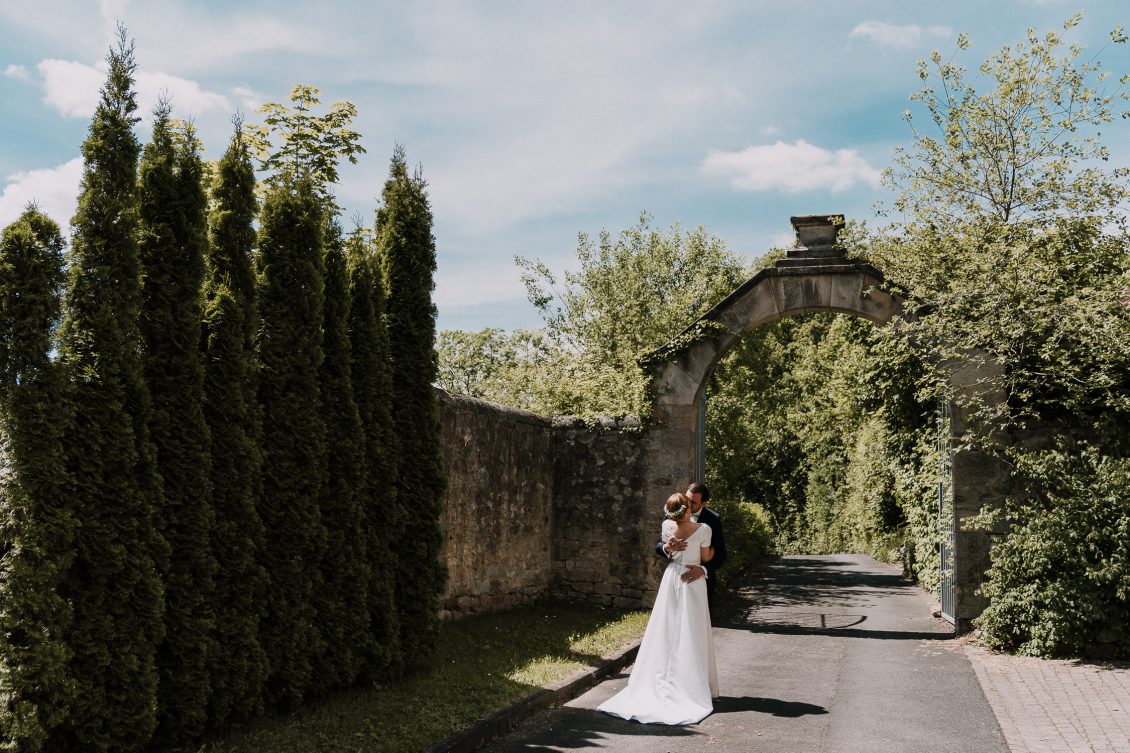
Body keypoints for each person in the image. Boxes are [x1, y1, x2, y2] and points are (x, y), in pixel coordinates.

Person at [598, 493, 719, 725]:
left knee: (665, 628)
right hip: (692, 581)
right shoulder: (703, 529)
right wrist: (703, 561)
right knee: (691, 632)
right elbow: (706, 556)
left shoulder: (666, 526)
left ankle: (661, 678)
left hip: (672, 577)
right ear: (686, 510)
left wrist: (669, 547)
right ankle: (690, 685)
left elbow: (668, 549)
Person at [656, 483, 726, 616]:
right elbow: (658, 545)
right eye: (687, 500)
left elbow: (721, 553)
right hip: (674, 577)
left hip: (700, 580)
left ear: (703, 503)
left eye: (692, 502)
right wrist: (666, 547)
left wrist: (703, 570)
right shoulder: (673, 513)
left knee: (697, 622)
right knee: (670, 618)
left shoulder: (713, 519)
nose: (687, 504)